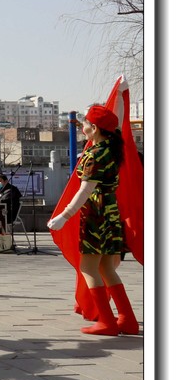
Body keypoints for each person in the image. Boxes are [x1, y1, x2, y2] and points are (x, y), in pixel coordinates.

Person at [47, 105, 139, 336]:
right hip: (111, 213)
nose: (83, 127)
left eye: (86, 124)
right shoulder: (111, 149)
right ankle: (127, 319)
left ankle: (107, 321)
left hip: (97, 216)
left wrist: (64, 215)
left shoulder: (95, 154)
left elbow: (85, 190)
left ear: (95, 128)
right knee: (107, 268)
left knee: (88, 266)